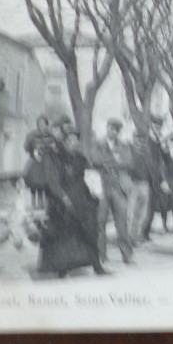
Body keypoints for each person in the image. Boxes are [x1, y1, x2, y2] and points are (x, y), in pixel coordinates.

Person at [38, 127, 107, 277]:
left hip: (83, 199)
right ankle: (62, 269)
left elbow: (90, 176)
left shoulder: (81, 158)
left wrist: (95, 192)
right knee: (64, 236)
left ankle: (96, 265)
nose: (74, 143)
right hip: (62, 202)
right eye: (70, 140)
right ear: (64, 142)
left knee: (90, 232)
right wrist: (63, 198)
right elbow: (53, 182)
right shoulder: (56, 159)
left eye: (76, 140)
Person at [90, 118, 135, 264]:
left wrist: (109, 162)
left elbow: (129, 162)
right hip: (102, 187)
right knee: (100, 221)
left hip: (118, 187)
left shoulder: (124, 145)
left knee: (122, 223)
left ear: (118, 132)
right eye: (111, 128)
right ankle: (101, 255)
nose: (113, 132)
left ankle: (127, 255)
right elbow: (95, 160)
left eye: (116, 130)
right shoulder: (98, 143)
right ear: (107, 128)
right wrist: (115, 160)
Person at [23, 115, 56, 209]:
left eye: (43, 124)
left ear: (46, 124)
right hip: (36, 161)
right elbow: (27, 148)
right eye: (39, 124)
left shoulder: (51, 136)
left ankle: (43, 202)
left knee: (45, 182)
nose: (41, 126)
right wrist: (33, 151)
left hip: (47, 162)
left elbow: (54, 148)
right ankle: (34, 201)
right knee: (33, 180)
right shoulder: (32, 135)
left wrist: (49, 150)